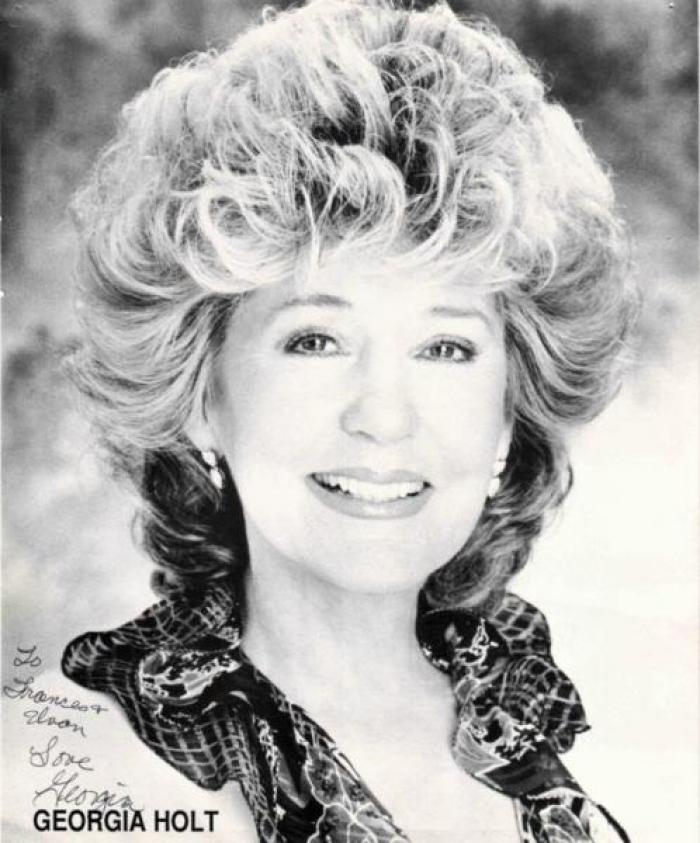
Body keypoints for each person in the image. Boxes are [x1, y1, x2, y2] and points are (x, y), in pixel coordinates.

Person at [62, 1, 637, 840]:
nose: (384, 416)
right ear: (202, 394)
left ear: (511, 409)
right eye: (316, 339)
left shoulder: (535, 727)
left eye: (445, 347)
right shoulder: (76, 767)